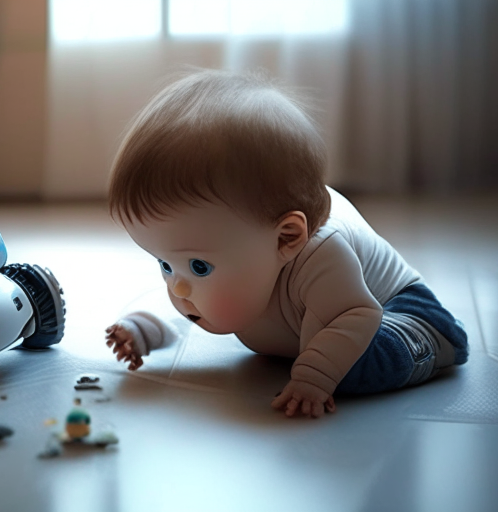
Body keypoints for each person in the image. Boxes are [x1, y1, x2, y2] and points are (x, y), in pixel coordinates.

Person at [104, 69, 468, 418]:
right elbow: (184, 302)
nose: (176, 285)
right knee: (208, 301)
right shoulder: (238, 249)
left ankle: (432, 342)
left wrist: (315, 375)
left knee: (349, 366)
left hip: (400, 311)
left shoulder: (323, 254)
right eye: (164, 264)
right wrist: (141, 328)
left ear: (288, 239)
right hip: (315, 319)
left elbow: (356, 315)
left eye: (199, 266)